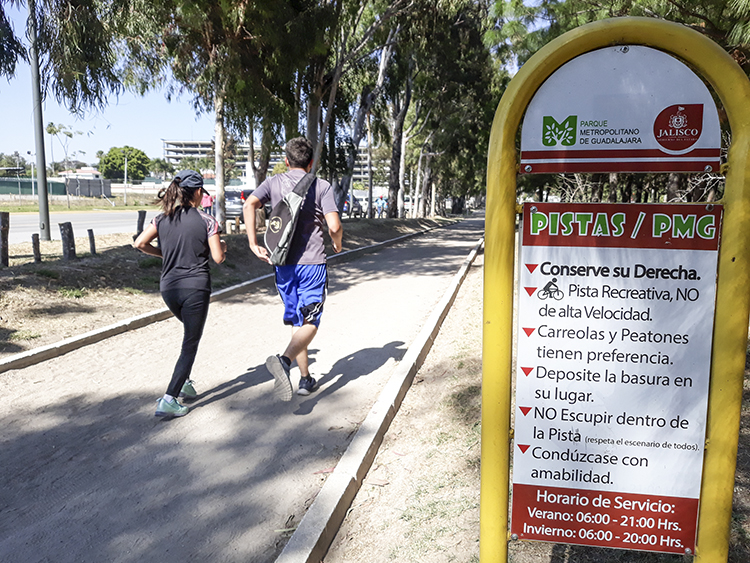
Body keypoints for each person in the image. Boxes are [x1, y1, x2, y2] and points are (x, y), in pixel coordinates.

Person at [243, 137, 343, 400]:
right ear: (311, 162)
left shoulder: (274, 182)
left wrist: (253, 242)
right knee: (312, 320)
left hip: (283, 264)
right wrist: (337, 243)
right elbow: (334, 226)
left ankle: (305, 379)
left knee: (298, 320)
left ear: (286, 161)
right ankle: (285, 361)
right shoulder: (321, 186)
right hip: (312, 264)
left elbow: (249, 204)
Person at [134, 169, 226, 418]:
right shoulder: (207, 221)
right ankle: (169, 399)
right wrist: (223, 246)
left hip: (168, 289)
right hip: (195, 288)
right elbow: (218, 257)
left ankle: (183, 379)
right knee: (190, 343)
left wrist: (165, 254)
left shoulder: (162, 219)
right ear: (198, 192)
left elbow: (139, 243)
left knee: (189, 336)